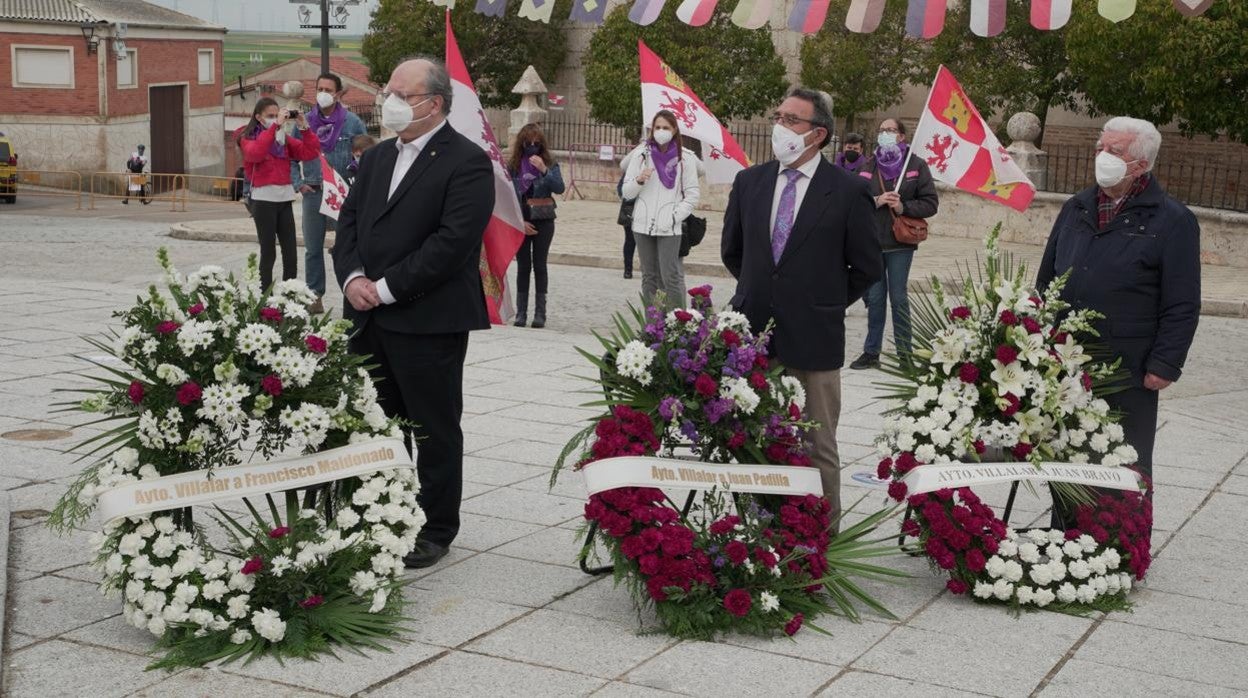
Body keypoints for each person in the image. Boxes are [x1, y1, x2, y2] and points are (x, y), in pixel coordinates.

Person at [332, 57, 494, 569]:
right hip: (367, 318)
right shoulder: (378, 158)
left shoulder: (466, 162)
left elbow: (451, 244)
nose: (391, 103)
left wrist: (385, 288)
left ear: (434, 103)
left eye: (403, 94)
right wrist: (354, 278)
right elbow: (350, 221)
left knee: (433, 428)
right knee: (375, 422)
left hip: (427, 320)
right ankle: (378, 510)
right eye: (389, 92)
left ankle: (435, 526)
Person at [721, 87, 882, 524]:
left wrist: (823, 300)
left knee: (817, 445)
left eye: (792, 119)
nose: (780, 126)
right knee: (754, 438)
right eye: (779, 115)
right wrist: (766, 293)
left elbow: (867, 266)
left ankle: (823, 540)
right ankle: (756, 529)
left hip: (815, 339)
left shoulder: (848, 191)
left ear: (818, 134)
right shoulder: (749, 182)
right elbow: (733, 253)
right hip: (756, 336)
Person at [1037, 116, 1200, 533]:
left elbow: (1182, 302)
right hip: (1068, 363)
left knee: (1124, 458)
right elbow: (1046, 279)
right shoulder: (1076, 207)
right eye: (1100, 148)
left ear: (1141, 164)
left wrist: (1164, 364)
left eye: (1115, 151)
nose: (1102, 158)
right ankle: (1066, 535)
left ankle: (1123, 544)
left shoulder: (1172, 220)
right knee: (1068, 449)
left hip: (1129, 364)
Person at [849, 117, 938, 369]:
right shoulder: (868, 165)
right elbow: (852, 200)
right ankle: (871, 351)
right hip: (873, 242)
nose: (884, 134)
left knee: (898, 297)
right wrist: (876, 200)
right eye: (881, 130)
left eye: (890, 130)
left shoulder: (916, 166)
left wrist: (903, 206)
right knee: (875, 298)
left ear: (901, 136)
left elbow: (931, 203)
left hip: (900, 243)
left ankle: (905, 354)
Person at [293, 73, 367, 314]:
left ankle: (353, 292)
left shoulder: (352, 122)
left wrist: (356, 183)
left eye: (328, 89)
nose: (323, 93)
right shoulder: (304, 123)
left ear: (337, 93)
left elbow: (365, 156)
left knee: (347, 245)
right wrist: (298, 183)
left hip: (342, 193)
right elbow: (290, 156)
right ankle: (314, 295)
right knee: (313, 248)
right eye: (319, 88)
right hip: (313, 191)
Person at [621, 110, 701, 308]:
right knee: (649, 277)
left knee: (670, 276)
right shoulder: (641, 155)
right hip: (642, 224)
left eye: (666, 127)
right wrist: (639, 180)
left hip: (669, 226)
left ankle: (678, 324)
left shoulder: (686, 158)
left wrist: (675, 216)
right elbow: (627, 192)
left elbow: (692, 194)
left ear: (674, 130)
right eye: (657, 127)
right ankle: (653, 325)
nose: (661, 131)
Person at [240, 97, 321, 292]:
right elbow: (255, 154)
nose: (276, 119)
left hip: (284, 199)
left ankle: (288, 295)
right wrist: (274, 127)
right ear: (259, 117)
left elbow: (310, 152)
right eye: (270, 116)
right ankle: (264, 296)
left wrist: (304, 128)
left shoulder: (283, 139)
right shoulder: (248, 137)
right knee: (268, 253)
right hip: (263, 200)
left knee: (291, 254)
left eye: (278, 115)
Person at [508, 123, 565, 329]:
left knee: (540, 266)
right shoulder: (513, 165)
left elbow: (559, 187)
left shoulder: (550, 163)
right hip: (521, 219)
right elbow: (507, 196)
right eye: (528, 143)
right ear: (521, 144)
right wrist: (518, 222)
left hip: (544, 219)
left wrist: (544, 170)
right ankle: (521, 313)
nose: (532, 146)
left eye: (536, 143)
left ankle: (540, 313)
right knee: (523, 266)